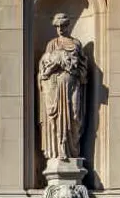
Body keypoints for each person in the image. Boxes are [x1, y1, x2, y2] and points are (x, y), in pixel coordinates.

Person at [38, 12, 88, 161]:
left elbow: (84, 68)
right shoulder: (51, 44)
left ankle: (72, 151)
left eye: (62, 26)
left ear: (68, 26)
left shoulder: (76, 44)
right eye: (57, 26)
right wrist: (52, 66)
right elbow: (44, 66)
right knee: (56, 119)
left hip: (72, 86)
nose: (60, 29)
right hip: (55, 88)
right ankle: (59, 151)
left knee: (74, 115)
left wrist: (74, 69)